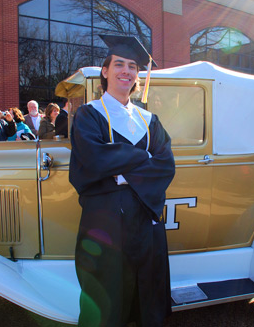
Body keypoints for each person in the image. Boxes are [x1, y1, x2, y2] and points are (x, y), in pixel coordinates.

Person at [69, 35, 175, 327]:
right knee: (105, 292)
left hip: (144, 217)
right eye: (119, 64)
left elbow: (165, 164)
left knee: (146, 292)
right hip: (105, 221)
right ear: (105, 71)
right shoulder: (88, 115)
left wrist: (119, 170)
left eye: (132, 66)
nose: (126, 71)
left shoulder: (149, 119)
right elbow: (93, 159)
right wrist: (143, 160)